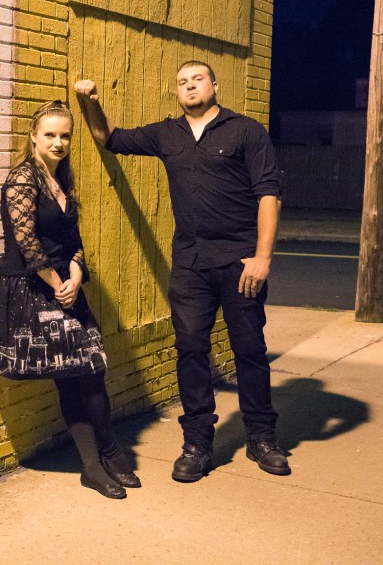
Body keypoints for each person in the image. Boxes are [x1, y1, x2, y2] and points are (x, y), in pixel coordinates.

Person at [74, 61, 290, 482]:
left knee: (249, 350)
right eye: (182, 82)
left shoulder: (246, 131)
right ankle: (197, 443)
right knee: (191, 350)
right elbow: (109, 138)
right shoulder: (167, 134)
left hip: (240, 262)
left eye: (198, 79)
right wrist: (91, 103)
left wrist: (262, 258)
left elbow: (269, 194)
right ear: (177, 92)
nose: (190, 86)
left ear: (215, 85)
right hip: (190, 263)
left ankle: (262, 438)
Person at [0, 100, 140, 499]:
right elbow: (27, 245)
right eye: (50, 135)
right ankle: (94, 465)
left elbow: (73, 239)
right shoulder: (22, 180)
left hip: (62, 283)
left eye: (65, 135)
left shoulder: (62, 178)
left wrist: (75, 274)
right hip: (33, 287)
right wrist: (60, 284)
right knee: (74, 375)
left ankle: (108, 452)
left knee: (89, 370)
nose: (58, 142)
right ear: (34, 137)